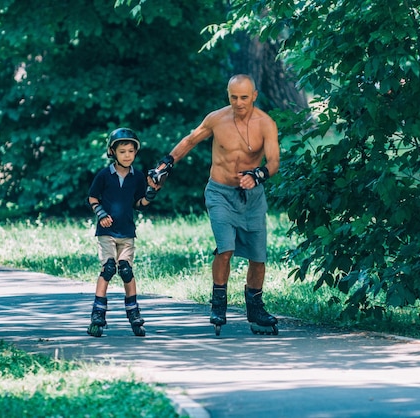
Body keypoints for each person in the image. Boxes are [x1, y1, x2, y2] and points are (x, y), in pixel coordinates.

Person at [149, 74, 280, 335]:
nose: (239, 103)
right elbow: (190, 140)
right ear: (228, 95)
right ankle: (218, 304)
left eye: (244, 97)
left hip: (251, 198)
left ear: (254, 95)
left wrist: (258, 175)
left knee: (258, 257)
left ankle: (255, 309)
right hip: (219, 192)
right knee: (225, 248)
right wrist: (166, 164)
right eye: (234, 97)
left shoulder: (266, 124)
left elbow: (274, 161)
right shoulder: (217, 119)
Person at [87, 127, 160, 337]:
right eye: (122, 151)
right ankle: (98, 314)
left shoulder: (138, 177)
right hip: (106, 231)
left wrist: (150, 194)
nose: (127, 155)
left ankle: (134, 312)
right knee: (109, 268)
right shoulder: (104, 176)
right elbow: (93, 198)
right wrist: (101, 214)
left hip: (127, 232)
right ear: (113, 152)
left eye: (131, 151)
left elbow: (139, 204)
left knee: (126, 270)